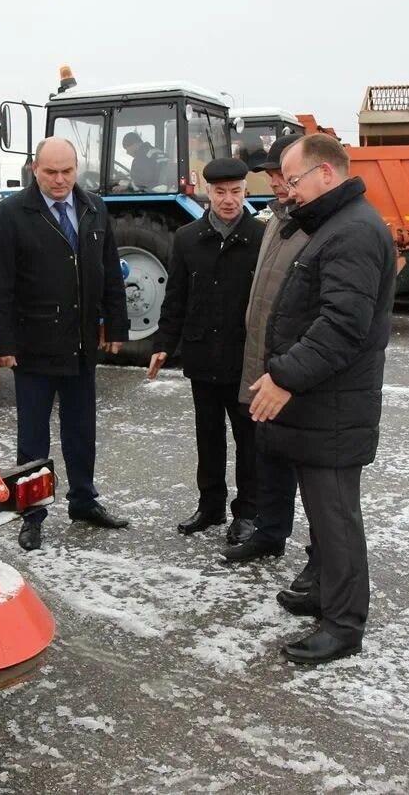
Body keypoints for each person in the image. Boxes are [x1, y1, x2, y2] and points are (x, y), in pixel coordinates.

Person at [248, 133, 395, 665]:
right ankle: (323, 592)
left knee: (335, 515)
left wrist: (284, 375)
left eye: (294, 181)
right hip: (322, 403)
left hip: (333, 405)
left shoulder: (352, 232)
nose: (287, 192)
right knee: (323, 510)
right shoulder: (335, 224)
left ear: (326, 174)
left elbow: (341, 326)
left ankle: (343, 624)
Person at [0, 137, 132, 551]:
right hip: (33, 347)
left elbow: (109, 272)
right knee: (33, 438)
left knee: (81, 430)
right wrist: (3, 344)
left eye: (67, 171)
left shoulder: (93, 207)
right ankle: (32, 513)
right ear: (35, 169)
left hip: (81, 345)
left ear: (76, 167)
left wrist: (117, 327)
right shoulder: (13, 213)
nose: (60, 180)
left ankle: (84, 501)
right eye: (51, 172)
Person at [148, 157, 264, 545]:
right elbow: (175, 296)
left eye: (235, 191)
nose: (228, 200)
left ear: (245, 192)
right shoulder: (187, 238)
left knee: (248, 442)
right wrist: (164, 344)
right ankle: (210, 505)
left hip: (245, 360)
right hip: (202, 356)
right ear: (207, 193)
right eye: (220, 192)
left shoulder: (262, 239)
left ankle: (247, 512)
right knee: (208, 436)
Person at [223, 134, 310, 566]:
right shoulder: (277, 218)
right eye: (272, 174)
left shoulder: (318, 224)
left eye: (283, 173)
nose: (276, 182)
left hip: (296, 370)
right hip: (263, 363)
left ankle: (322, 557)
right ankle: (269, 530)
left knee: (307, 469)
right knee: (268, 454)